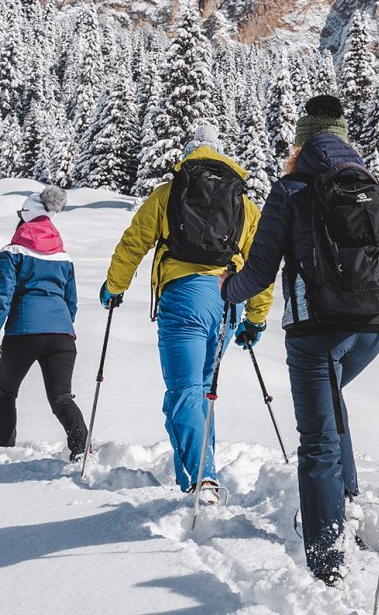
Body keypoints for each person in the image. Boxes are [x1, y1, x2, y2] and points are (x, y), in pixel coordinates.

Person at [221, 94, 379, 586]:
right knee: (332, 406)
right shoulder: (372, 186)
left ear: (302, 141)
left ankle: (327, 556)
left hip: (314, 333)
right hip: (371, 329)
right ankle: (347, 499)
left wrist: (229, 288)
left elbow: (261, 271)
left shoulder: (289, 191)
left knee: (317, 442)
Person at [101, 123, 273, 503]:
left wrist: (115, 287)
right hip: (228, 303)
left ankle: (201, 479)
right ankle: (199, 473)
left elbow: (134, 243)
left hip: (183, 301)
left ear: (188, 154)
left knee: (185, 391)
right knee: (203, 392)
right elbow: (263, 265)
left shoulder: (168, 193)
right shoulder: (244, 205)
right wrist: (255, 319)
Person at [0, 186, 88, 456]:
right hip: (62, 336)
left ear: (25, 218)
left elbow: (0, 302)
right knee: (61, 397)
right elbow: (72, 304)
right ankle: (81, 445)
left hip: (23, 333)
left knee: (6, 393)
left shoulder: (11, 253)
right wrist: (61, 327)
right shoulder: (63, 257)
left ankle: (4, 450)